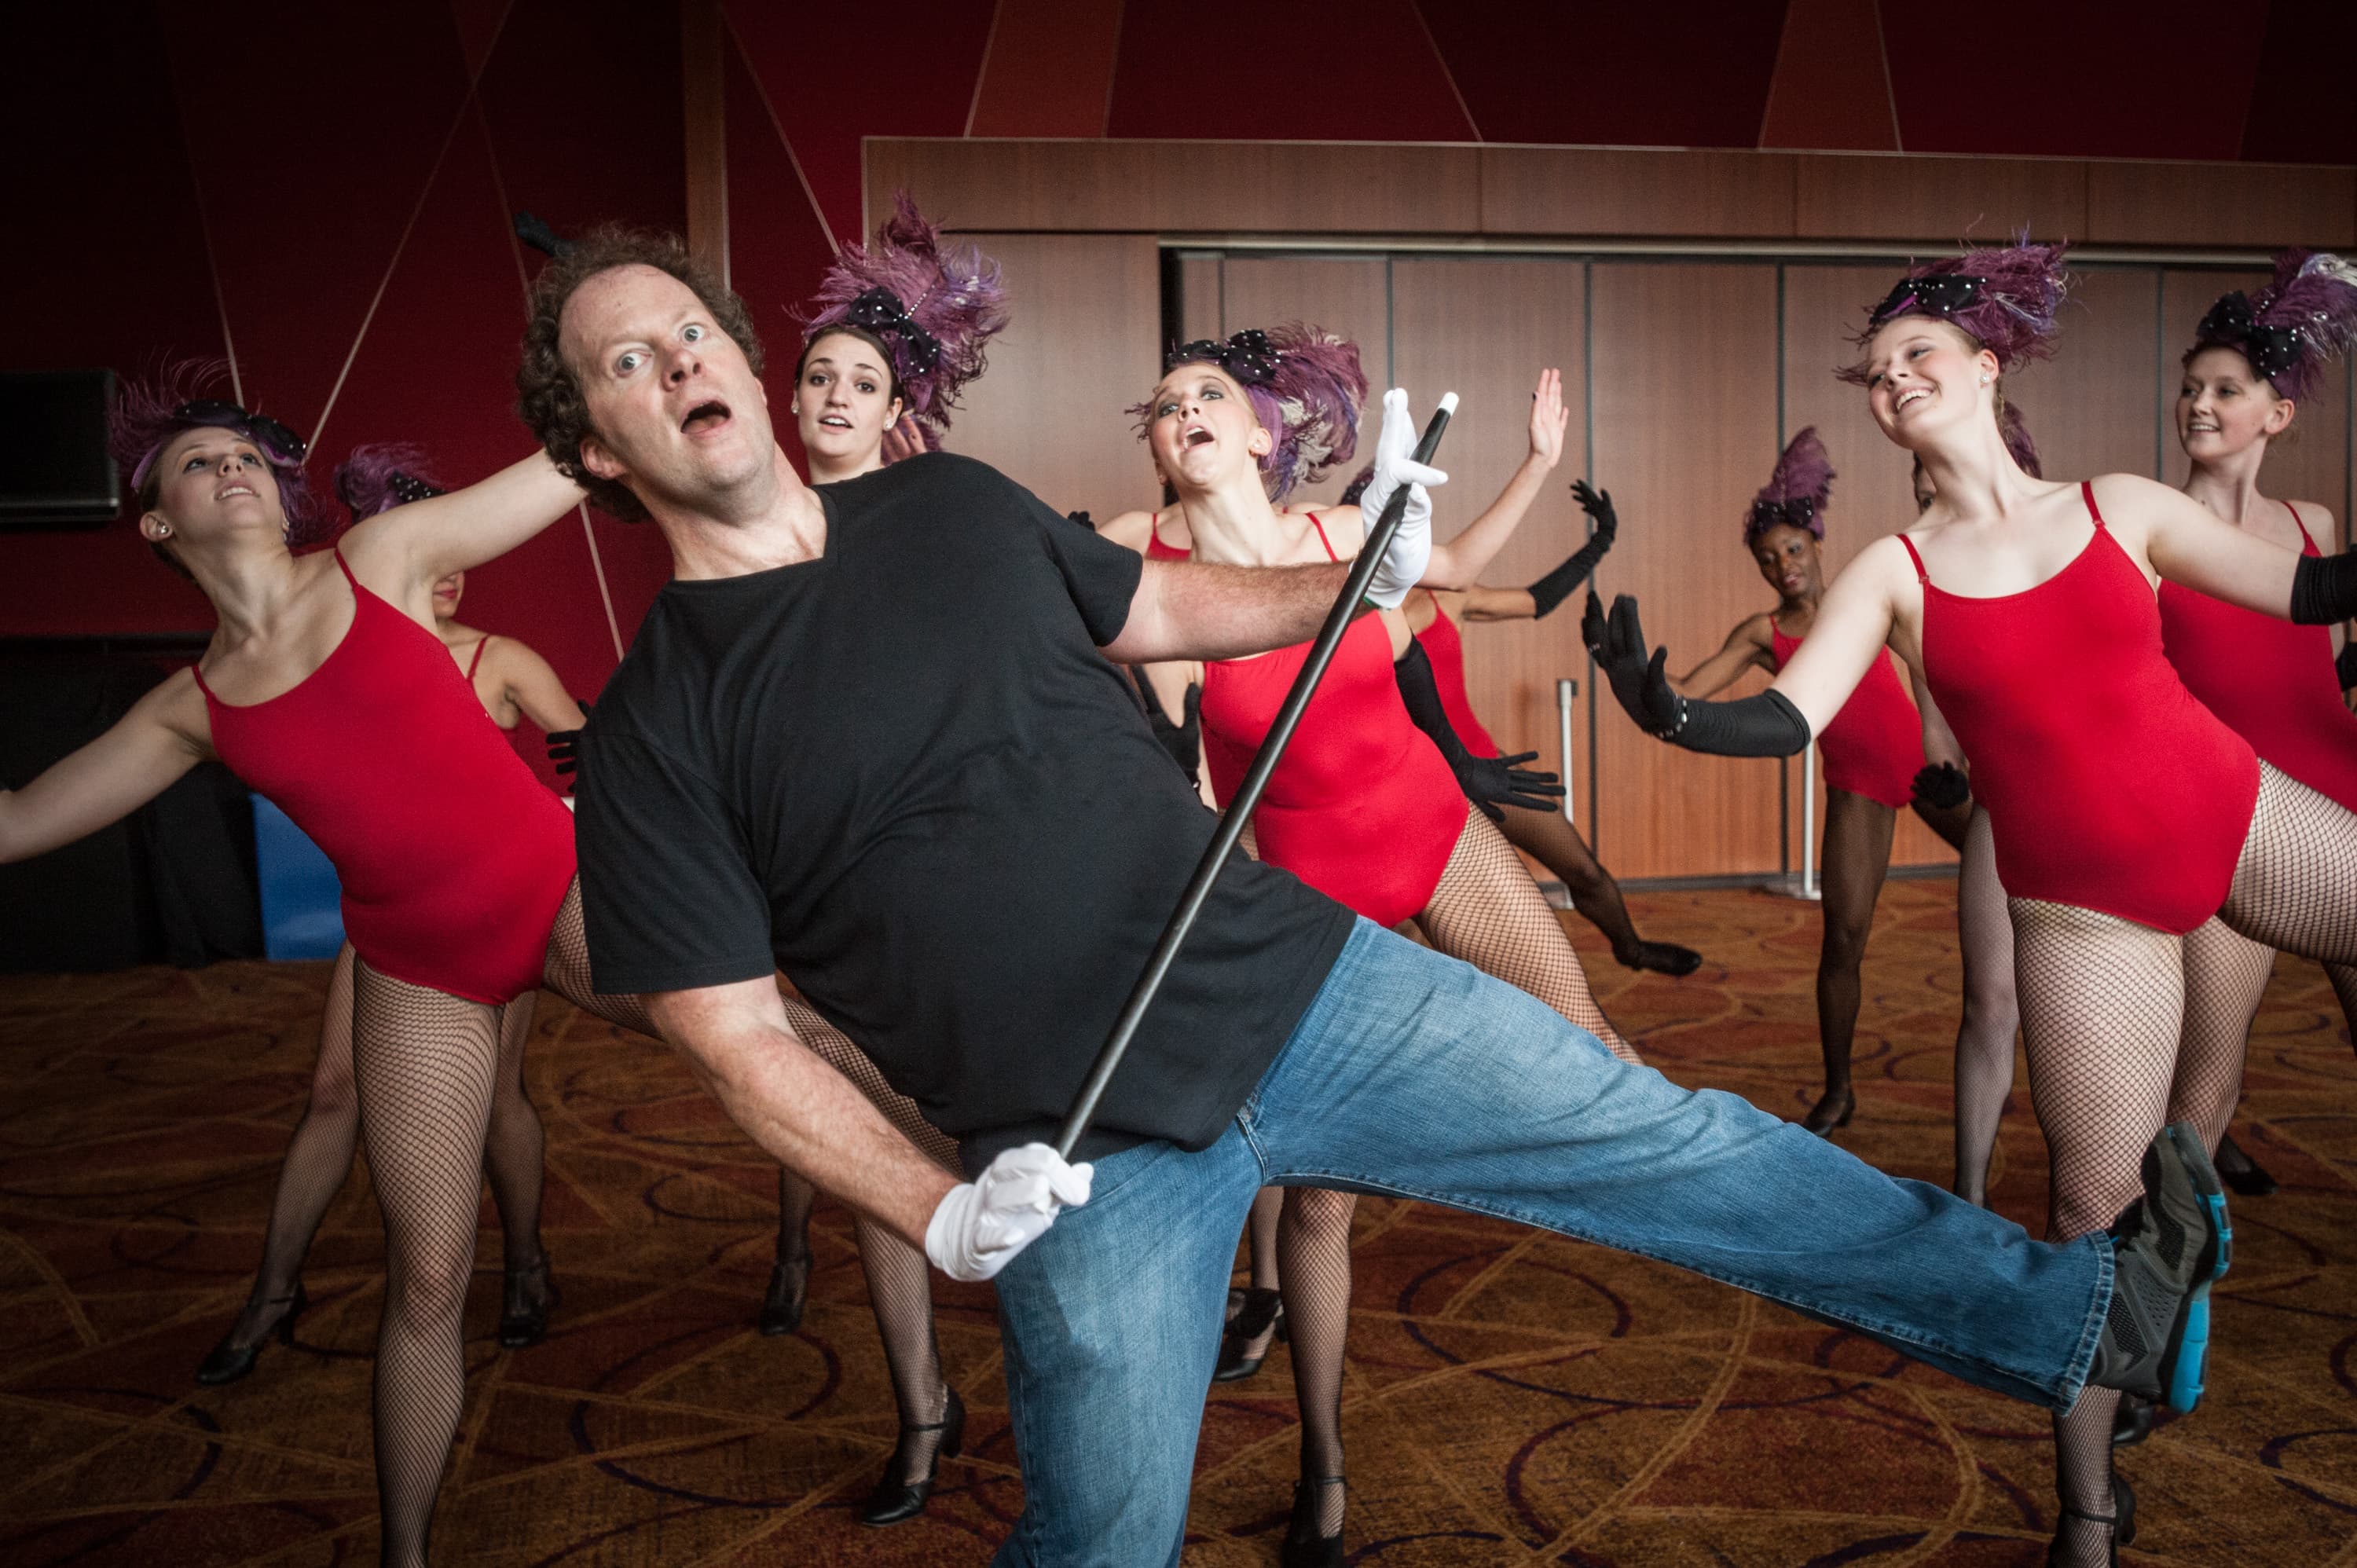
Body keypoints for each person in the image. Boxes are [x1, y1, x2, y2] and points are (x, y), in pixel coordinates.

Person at [519, 226, 2227, 1568]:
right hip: (1080, 1148)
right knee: (1103, 1538)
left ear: (740, 358)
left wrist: (1366, 574)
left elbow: (1167, 610)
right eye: (628, 362)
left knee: (1678, 1142)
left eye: (691, 331)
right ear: (593, 446)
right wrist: (936, 1207)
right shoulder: (659, 723)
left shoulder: (951, 507)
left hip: (1304, 986)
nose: (681, 364)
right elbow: (733, 1039)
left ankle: (2085, 1309)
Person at [1585, 238, 2357, 1564]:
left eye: (1918, 353)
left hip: (2237, 816)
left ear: (1988, 366)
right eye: (1877, 370)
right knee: (2089, 1218)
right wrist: (1674, 715)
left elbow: (2314, 592)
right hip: (2084, 913)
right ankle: (2089, 1513)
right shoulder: (1894, 569)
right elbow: (1787, 716)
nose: (1893, 379)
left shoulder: (2120, 506)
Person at [0, 378, 673, 1567]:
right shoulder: (188, 708)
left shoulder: (380, 558)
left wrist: (646, 376)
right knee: (428, 1276)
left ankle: (948, 1151)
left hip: (556, 890)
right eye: (199, 463)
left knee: (768, 1053)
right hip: (416, 968)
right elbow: (13, 824)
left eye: (246, 456)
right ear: (155, 520)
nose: (234, 469)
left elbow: (574, 463)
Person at [1122, 331, 1640, 1562]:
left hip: (1437, 831)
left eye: (1210, 394)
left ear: (1262, 431)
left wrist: (1535, 462)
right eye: (1166, 403)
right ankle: (1325, 1462)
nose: (1186, 410)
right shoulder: (1155, 584)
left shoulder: (1340, 533)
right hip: (1312, 893)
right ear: (1160, 447)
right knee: (1321, 1203)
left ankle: (1751, 1223)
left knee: (1594, 1042)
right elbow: (1183, 773)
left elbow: (1450, 570)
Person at [192, 448, 588, 1388]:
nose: (447, 574)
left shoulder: (500, 657)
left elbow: (587, 747)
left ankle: (525, 1264)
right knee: (334, 1089)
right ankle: (272, 1291)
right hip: (396, 923)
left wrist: (578, 823)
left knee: (498, 1097)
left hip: (508, 896)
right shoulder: (337, 639)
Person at [761, 195, 1010, 1524]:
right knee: (873, 1151)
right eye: (820, 376)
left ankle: (1056, 1373)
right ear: (792, 396)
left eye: (863, 380)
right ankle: (920, 1407)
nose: (837, 396)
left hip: (954, 865)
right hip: (826, 881)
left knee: (1017, 1136)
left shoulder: (933, 516)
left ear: (897, 405)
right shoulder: (757, 529)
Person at [1656, 429, 1969, 1134]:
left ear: (1817, 544)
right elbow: (1689, 691)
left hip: (1927, 768)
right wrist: (1635, 675)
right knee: (1843, 941)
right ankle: (1839, 1089)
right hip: (1856, 785)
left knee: (2017, 882)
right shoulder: (1764, 632)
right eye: (1769, 559)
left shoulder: (1866, 598)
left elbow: (1933, 667)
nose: (1783, 566)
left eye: (1793, 550)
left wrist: (1953, 752)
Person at [2157, 251, 2357, 1203]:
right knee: (2210, 1082)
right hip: (2235, 821)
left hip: (2343, 795)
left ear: (2277, 415)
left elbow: (2327, 669)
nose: (2198, 404)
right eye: (2190, 387)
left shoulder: (2314, 522)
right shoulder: (2153, 532)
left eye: (2225, 390)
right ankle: (2156, 1272)